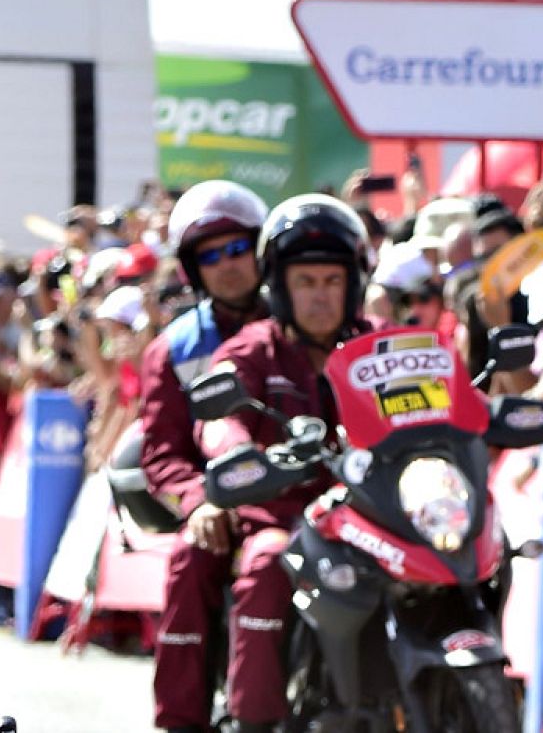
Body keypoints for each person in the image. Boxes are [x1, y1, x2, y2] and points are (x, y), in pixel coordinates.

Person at [160, 194, 375, 733]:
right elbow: (214, 419)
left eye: (332, 281)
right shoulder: (246, 348)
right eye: (306, 283)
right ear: (280, 285)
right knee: (258, 564)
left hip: (377, 519)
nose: (320, 297)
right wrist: (232, 456)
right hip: (280, 520)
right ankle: (240, 721)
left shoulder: (379, 346)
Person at [136, 179, 270, 733]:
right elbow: (161, 456)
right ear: (192, 269)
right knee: (190, 563)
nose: (228, 264)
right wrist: (199, 503)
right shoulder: (172, 350)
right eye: (211, 255)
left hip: (316, 497)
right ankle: (182, 721)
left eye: (238, 247)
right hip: (225, 509)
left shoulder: (312, 318)